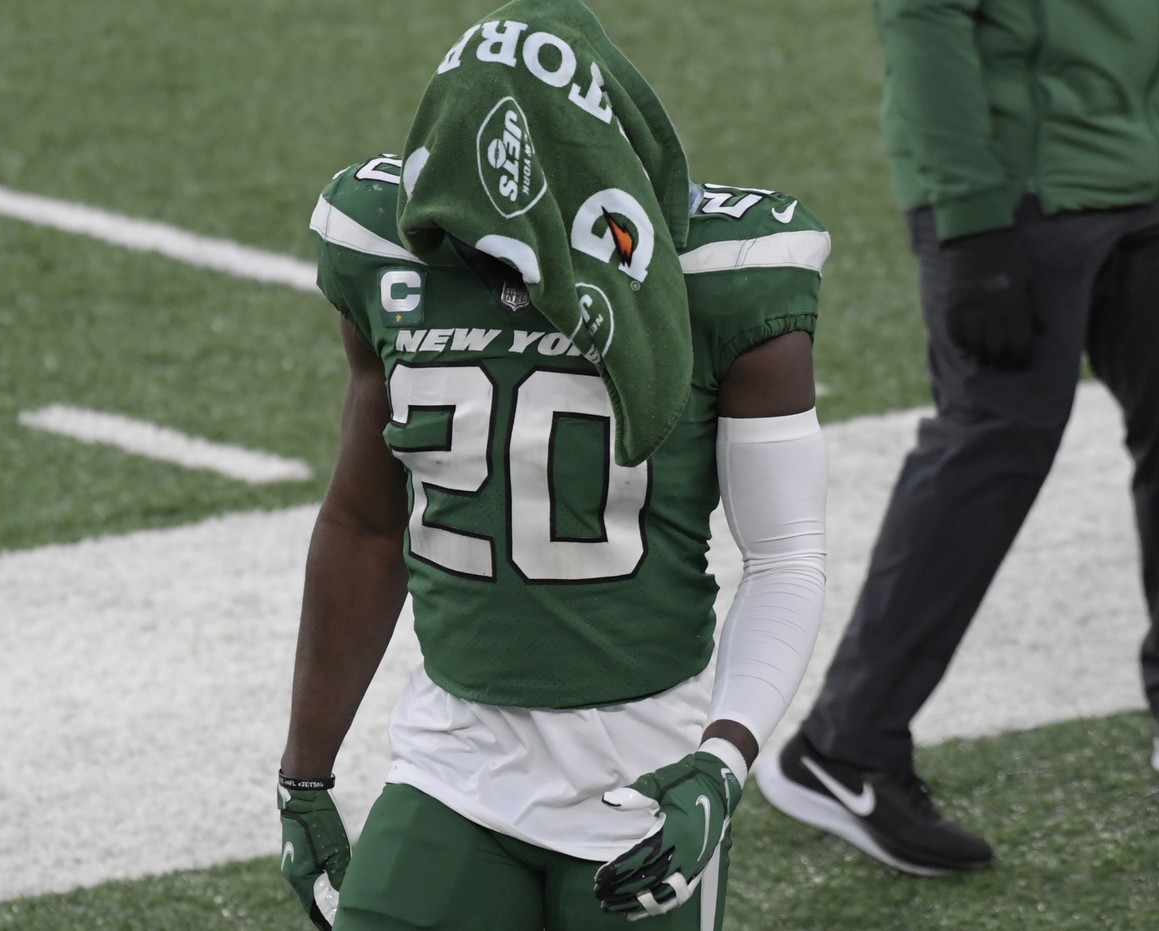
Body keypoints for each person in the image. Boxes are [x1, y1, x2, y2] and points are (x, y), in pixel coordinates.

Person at [274, 3, 832, 928]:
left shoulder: (728, 276)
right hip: (455, 757)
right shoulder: (389, 248)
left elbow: (785, 557)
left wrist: (722, 762)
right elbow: (366, 521)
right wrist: (304, 772)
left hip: (643, 771)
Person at [754, 0, 1159, 875]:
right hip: (1015, 190)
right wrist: (973, 220)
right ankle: (847, 742)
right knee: (992, 447)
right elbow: (922, 18)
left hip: (1151, 175)